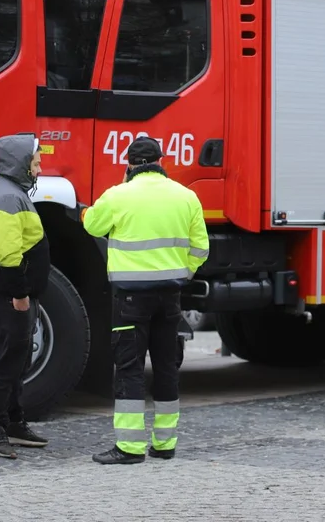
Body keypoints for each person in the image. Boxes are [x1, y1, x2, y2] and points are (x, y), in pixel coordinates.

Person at [81, 137, 209, 464]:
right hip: (170, 297)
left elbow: (93, 224)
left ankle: (130, 447)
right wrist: (183, 273)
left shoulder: (118, 194)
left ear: (129, 163)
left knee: (129, 368)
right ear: (161, 160)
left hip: (129, 298)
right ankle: (164, 444)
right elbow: (200, 249)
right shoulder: (186, 196)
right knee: (167, 367)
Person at [0, 133, 51, 458]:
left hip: (11, 293)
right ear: (20, 163)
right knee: (6, 362)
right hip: (7, 295)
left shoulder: (10, 192)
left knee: (17, 360)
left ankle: (14, 423)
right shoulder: (7, 198)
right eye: (36, 162)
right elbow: (8, 254)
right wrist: (19, 294)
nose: (40, 168)